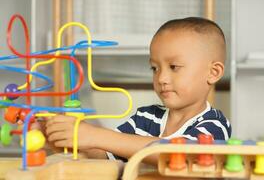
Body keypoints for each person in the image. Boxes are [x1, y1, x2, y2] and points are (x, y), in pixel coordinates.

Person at [44, 17, 231, 164]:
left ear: (213, 73)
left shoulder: (215, 125)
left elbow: (178, 154)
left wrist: (95, 135)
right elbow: (106, 153)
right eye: (155, 68)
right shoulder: (145, 118)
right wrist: (66, 139)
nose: (162, 78)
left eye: (174, 67)